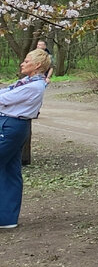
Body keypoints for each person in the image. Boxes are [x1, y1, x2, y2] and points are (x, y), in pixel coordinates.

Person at [0, 49, 52, 228]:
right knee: (9, 171)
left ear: (37, 65)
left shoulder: (33, 86)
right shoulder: (26, 82)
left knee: (9, 170)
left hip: (10, 126)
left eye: (26, 61)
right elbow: (6, 91)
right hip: (13, 126)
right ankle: (7, 219)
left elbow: (4, 98)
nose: (22, 63)